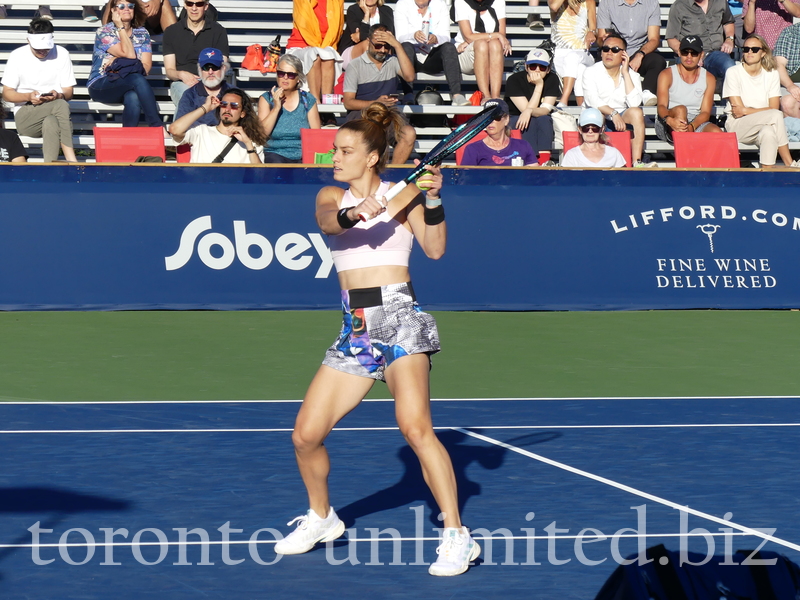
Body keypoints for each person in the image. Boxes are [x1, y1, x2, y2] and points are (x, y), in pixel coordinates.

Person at [274, 101, 481, 577]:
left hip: (400, 319)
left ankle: (456, 535)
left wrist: (430, 197)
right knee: (305, 436)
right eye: (334, 150)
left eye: (345, 150)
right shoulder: (330, 194)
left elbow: (434, 248)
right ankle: (322, 518)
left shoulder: (401, 195)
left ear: (371, 157)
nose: (334, 157)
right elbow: (329, 221)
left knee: (415, 427)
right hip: (355, 329)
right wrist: (354, 214)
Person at [1, 17, 77, 163]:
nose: (43, 52)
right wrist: (28, 96)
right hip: (26, 114)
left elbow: (68, 92)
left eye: (46, 48)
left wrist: (58, 95)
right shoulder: (17, 55)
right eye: (38, 48)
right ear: (28, 40)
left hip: (51, 112)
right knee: (61, 105)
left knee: (51, 121)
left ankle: (49, 166)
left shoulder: (62, 53)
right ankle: (72, 160)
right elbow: (7, 94)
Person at [343, 25, 416, 164]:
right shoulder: (355, 65)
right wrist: (375, 103)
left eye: (387, 46)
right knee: (370, 136)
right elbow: (348, 102)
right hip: (363, 114)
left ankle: (394, 172)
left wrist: (397, 45)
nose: (382, 50)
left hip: (388, 113)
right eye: (378, 46)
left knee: (408, 133)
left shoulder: (392, 60)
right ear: (368, 41)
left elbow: (410, 77)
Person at [723, 34, 799, 167]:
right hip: (737, 125)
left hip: (764, 124)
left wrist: (747, 110)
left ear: (763, 52)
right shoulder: (733, 72)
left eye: (754, 49)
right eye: (746, 49)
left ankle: (767, 174)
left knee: (769, 132)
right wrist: (762, 111)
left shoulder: (772, 73)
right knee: (775, 115)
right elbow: (738, 112)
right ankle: (789, 163)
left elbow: (772, 107)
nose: (749, 52)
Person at [582, 32, 654, 167]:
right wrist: (613, 113)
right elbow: (592, 100)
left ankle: (637, 161)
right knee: (596, 114)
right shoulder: (590, 71)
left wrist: (626, 73)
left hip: (622, 118)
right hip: (598, 116)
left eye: (615, 50)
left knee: (636, 112)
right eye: (605, 49)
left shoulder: (632, 74)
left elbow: (634, 103)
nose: (609, 53)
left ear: (623, 54)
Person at [87, 0, 163, 129]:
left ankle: (127, 141)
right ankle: (157, 126)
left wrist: (119, 59)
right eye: (121, 6)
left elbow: (146, 67)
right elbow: (130, 54)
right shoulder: (105, 31)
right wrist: (120, 27)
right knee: (137, 78)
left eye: (130, 6)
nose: (126, 9)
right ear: (113, 10)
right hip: (101, 83)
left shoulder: (142, 33)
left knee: (133, 97)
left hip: (128, 84)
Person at [396, 0, 468, 106]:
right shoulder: (402, 4)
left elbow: (446, 36)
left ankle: (456, 94)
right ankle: (408, 93)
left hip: (432, 55)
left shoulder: (440, 4)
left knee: (449, 47)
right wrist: (413, 36)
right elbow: (400, 37)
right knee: (405, 46)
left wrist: (436, 38)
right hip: (412, 57)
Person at [171, 88, 265, 164]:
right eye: (224, 104)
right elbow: (174, 129)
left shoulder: (251, 142)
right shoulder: (202, 131)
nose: (227, 109)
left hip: (233, 186)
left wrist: (248, 143)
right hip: (201, 185)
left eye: (234, 106)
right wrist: (205, 108)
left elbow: (259, 176)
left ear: (242, 113)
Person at [162, 0, 229, 107]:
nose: (194, 8)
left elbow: (223, 66)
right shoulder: (171, 31)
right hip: (181, 82)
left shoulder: (218, 31)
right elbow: (169, 71)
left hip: (210, 81)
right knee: (187, 97)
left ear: (206, 6)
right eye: (190, 3)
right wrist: (181, 75)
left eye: (199, 4)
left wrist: (206, 81)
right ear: (185, 5)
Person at [656, 35, 722, 143]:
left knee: (718, 134)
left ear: (701, 55)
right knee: (681, 110)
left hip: (696, 121)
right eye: (685, 52)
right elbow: (661, 106)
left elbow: (705, 112)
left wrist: (692, 126)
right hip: (668, 119)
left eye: (694, 53)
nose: (689, 57)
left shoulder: (709, 78)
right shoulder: (666, 74)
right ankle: (687, 156)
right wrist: (669, 120)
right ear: (679, 53)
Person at [597, 0, 665, 103]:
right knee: (602, 58)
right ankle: (605, 99)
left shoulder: (651, 3)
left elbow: (654, 39)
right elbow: (601, 38)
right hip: (615, 50)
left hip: (638, 50)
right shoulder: (607, 2)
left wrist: (640, 55)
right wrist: (605, 39)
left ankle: (647, 92)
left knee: (658, 61)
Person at [258, 54, 321, 163]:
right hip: (274, 153)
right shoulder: (266, 99)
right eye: (281, 73)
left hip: (303, 155)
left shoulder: (307, 100)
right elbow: (262, 134)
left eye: (291, 75)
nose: (285, 77)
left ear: (298, 78)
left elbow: (316, 135)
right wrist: (276, 108)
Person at [504, 48, 560, 162]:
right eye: (533, 66)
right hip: (516, 118)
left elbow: (545, 110)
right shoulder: (514, 80)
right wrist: (539, 86)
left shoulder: (552, 79)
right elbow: (524, 109)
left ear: (548, 69)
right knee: (532, 121)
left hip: (538, 118)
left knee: (544, 119)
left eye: (542, 67)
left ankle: (544, 162)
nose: (537, 70)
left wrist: (530, 111)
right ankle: (531, 161)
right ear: (526, 67)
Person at [286, 0, 344, 103]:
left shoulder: (336, 2)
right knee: (315, 55)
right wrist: (319, 48)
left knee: (328, 56)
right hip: (300, 46)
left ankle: (327, 101)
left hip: (325, 45)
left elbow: (337, 30)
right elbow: (304, 23)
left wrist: (321, 48)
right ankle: (315, 101)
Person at [453, 0, 511, 102]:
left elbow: (502, 34)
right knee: (481, 44)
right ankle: (486, 95)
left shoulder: (498, 1)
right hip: (466, 54)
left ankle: (496, 96)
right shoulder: (461, 1)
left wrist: (475, 38)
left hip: (491, 51)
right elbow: (468, 36)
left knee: (495, 44)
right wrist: (494, 35)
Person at [666, 0, 736, 82]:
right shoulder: (679, 6)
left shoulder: (720, 2)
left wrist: (729, 39)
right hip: (689, 54)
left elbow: (728, 22)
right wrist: (692, 54)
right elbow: (671, 38)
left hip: (716, 53)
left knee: (730, 67)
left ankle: (726, 92)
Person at [461, 98, 538, 165]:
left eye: (496, 117)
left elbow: (535, 176)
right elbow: (465, 179)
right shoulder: (473, 149)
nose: (491, 121)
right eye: (487, 117)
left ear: (506, 120)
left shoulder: (523, 146)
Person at [173, 48, 231, 127]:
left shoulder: (235, 94)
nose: (210, 72)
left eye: (214, 67)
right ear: (199, 69)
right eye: (205, 68)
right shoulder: (190, 95)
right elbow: (178, 128)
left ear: (223, 68)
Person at [561, 107, 627, 166]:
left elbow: (623, 177)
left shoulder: (613, 153)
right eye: (586, 128)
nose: (590, 131)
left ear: (601, 130)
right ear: (580, 130)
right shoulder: (572, 155)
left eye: (595, 128)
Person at [338, 0, 394, 69]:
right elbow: (361, 38)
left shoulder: (387, 10)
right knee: (367, 44)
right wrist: (366, 14)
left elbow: (388, 36)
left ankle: (385, 76)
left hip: (379, 50)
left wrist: (362, 35)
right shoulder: (353, 10)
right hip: (352, 52)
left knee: (386, 46)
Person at [102, 0, 177, 35]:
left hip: (152, 15)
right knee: (117, 2)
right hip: (125, 7)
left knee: (164, 2)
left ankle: (176, 50)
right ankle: (107, 35)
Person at [774, 22, 800, 117]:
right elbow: (778, 64)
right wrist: (790, 86)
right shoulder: (790, 33)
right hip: (793, 84)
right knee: (787, 103)